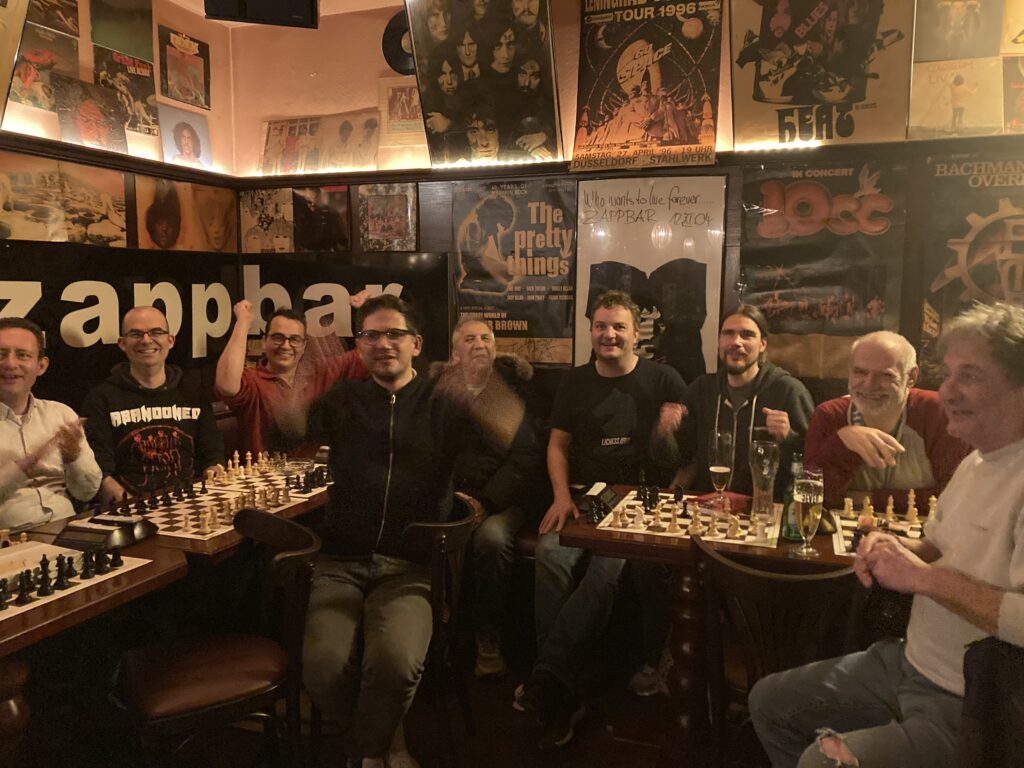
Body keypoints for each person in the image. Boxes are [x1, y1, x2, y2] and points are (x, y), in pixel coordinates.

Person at [749, 301, 1024, 768]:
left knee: (819, 760)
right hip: (910, 661)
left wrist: (923, 578)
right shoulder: (978, 460)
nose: (948, 390)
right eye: (948, 374)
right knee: (769, 701)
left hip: (975, 702)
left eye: (970, 376)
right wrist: (897, 547)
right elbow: (935, 546)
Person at [302, 294, 471, 768]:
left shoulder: (444, 404)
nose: (382, 344)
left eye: (394, 333)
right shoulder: (343, 399)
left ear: (416, 344)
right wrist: (310, 372)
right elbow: (291, 427)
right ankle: (384, 741)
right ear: (359, 347)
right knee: (321, 669)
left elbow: (509, 438)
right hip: (340, 562)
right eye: (371, 335)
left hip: (410, 567)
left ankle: (366, 750)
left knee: (395, 663)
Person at [513, 290, 684, 748]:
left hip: (641, 499)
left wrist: (667, 432)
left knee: (607, 568)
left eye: (619, 326)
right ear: (590, 332)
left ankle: (547, 680)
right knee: (550, 554)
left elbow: (681, 457)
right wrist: (559, 497)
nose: (609, 334)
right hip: (588, 496)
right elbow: (558, 446)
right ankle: (556, 676)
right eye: (601, 326)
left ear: (636, 334)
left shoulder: (664, 378)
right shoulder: (575, 381)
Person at [431, 317, 544, 678]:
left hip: (502, 499)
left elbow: (526, 459)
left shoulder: (516, 392)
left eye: (485, 338)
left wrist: (486, 501)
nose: (479, 344)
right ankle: (434, 631)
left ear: (495, 349)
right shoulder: (436, 394)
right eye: (469, 339)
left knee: (492, 539)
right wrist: (450, 495)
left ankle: (488, 637)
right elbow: (429, 451)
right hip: (450, 495)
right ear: (454, 353)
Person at [804, 330, 971, 511]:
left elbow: (958, 497)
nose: (869, 385)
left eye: (886, 375)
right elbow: (810, 497)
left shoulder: (940, 413)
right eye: (860, 372)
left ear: (911, 377)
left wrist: (868, 499)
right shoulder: (829, 415)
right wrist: (841, 445)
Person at [81, 306, 224, 502]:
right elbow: (101, 473)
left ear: (170, 340)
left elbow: (213, 454)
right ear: (122, 343)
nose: (146, 340)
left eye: (156, 332)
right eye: (136, 334)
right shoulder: (101, 397)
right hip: (132, 507)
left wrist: (214, 478)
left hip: (191, 502)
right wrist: (135, 509)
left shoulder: (192, 392)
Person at [672, 304, 814, 498]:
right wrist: (665, 431)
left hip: (763, 508)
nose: (736, 342)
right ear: (719, 341)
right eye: (728, 333)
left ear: (762, 344)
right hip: (708, 506)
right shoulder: (701, 389)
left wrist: (788, 437)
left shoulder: (789, 391)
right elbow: (681, 458)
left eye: (747, 335)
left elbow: (812, 466)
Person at [214, 300, 367, 458]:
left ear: (304, 346)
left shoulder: (319, 371)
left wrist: (367, 310)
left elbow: (366, 356)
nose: (286, 346)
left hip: (311, 471)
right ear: (264, 342)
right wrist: (243, 322)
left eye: (294, 339)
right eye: (278, 337)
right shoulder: (253, 379)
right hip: (265, 472)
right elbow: (226, 385)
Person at [0, 317, 101, 531]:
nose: (10, 364)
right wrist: (22, 467)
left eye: (22, 355)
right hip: (10, 540)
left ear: (41, 366)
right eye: (1, 354)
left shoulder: (60, 414)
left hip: (67, 530)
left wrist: (74, 457)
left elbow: (87, 492)